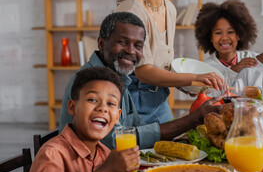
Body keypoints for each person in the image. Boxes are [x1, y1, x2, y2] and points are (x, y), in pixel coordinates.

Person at [59, 12, 223, 150]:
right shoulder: (91, 81)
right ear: (102, 43)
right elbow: (113, 142)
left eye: (138, 46)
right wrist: (194, 118)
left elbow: (138, 127)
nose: (131, 51)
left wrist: (180, 137)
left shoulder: (118, 79)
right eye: (122, 42)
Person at [114, 0, 222, 124]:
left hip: (158, 97)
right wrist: (193, 77)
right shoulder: (131, 10)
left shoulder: (169, 8)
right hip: (130, 100)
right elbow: (143, 71)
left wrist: (189, 85)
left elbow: (162, 63)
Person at [31, 67, 140, 172]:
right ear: (72, 107)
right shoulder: (52, 155)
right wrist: (106, 170)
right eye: (92, 99)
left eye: (111, 103)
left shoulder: (105, 153)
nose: (103, 108)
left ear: (117, 117)